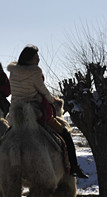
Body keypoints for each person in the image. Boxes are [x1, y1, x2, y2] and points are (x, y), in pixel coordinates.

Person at [6, 45, 88, 178]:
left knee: (5, 136)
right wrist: (51, 101)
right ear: (30, 59)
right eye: (36, 57)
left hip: (16, 112)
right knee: (65, 135)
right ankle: (74, 167)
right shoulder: (35, 72)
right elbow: (43, 90)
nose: (38, 59)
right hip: (34, 111)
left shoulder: (13, 71)